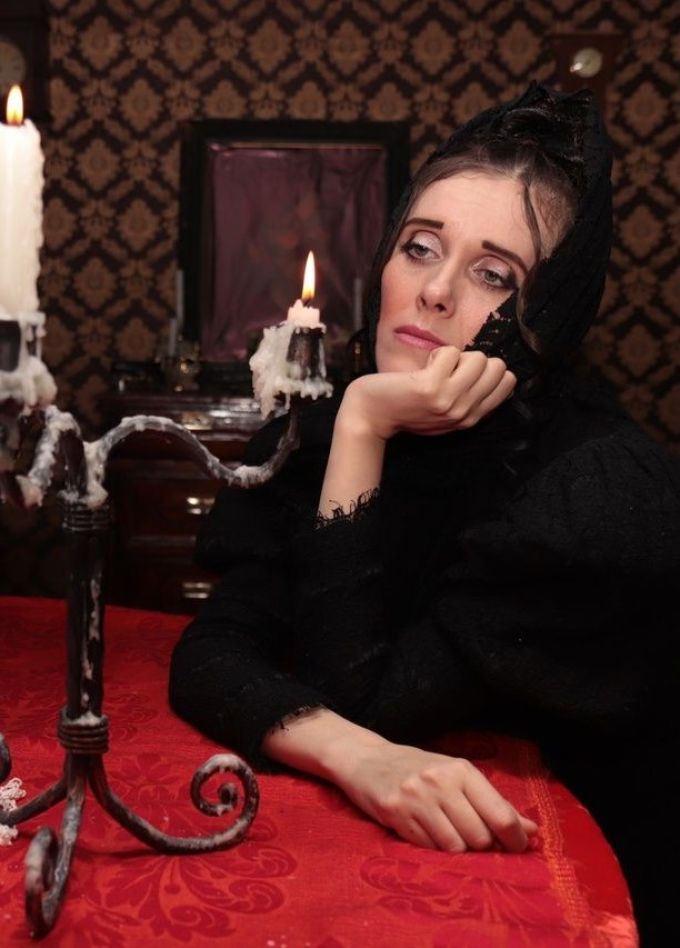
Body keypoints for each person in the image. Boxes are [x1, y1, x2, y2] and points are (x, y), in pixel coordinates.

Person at [169, 83, 680, 945]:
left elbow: (362, 695)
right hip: (401, 876)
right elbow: (215, 649)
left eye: (493, 274)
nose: (434, 291)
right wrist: (355, 755)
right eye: (420, 247)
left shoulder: (596, 496)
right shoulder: (325, 424)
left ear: (549, 316)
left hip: (580, 896)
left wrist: (365, 427)